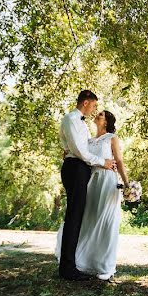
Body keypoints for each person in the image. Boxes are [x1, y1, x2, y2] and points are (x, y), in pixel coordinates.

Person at [55, 109, 129, 280]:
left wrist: (126, 183)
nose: (97, 115)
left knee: (105, 220)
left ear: (107, 121)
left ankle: (104, 264)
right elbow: (81, 153)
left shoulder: (111, 138)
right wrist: (68, 152)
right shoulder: (88, 140)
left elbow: (119, 161)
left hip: (107, 181)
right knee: (89, 219)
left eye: (101, 115)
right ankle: (84, 261)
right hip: (90, 182)